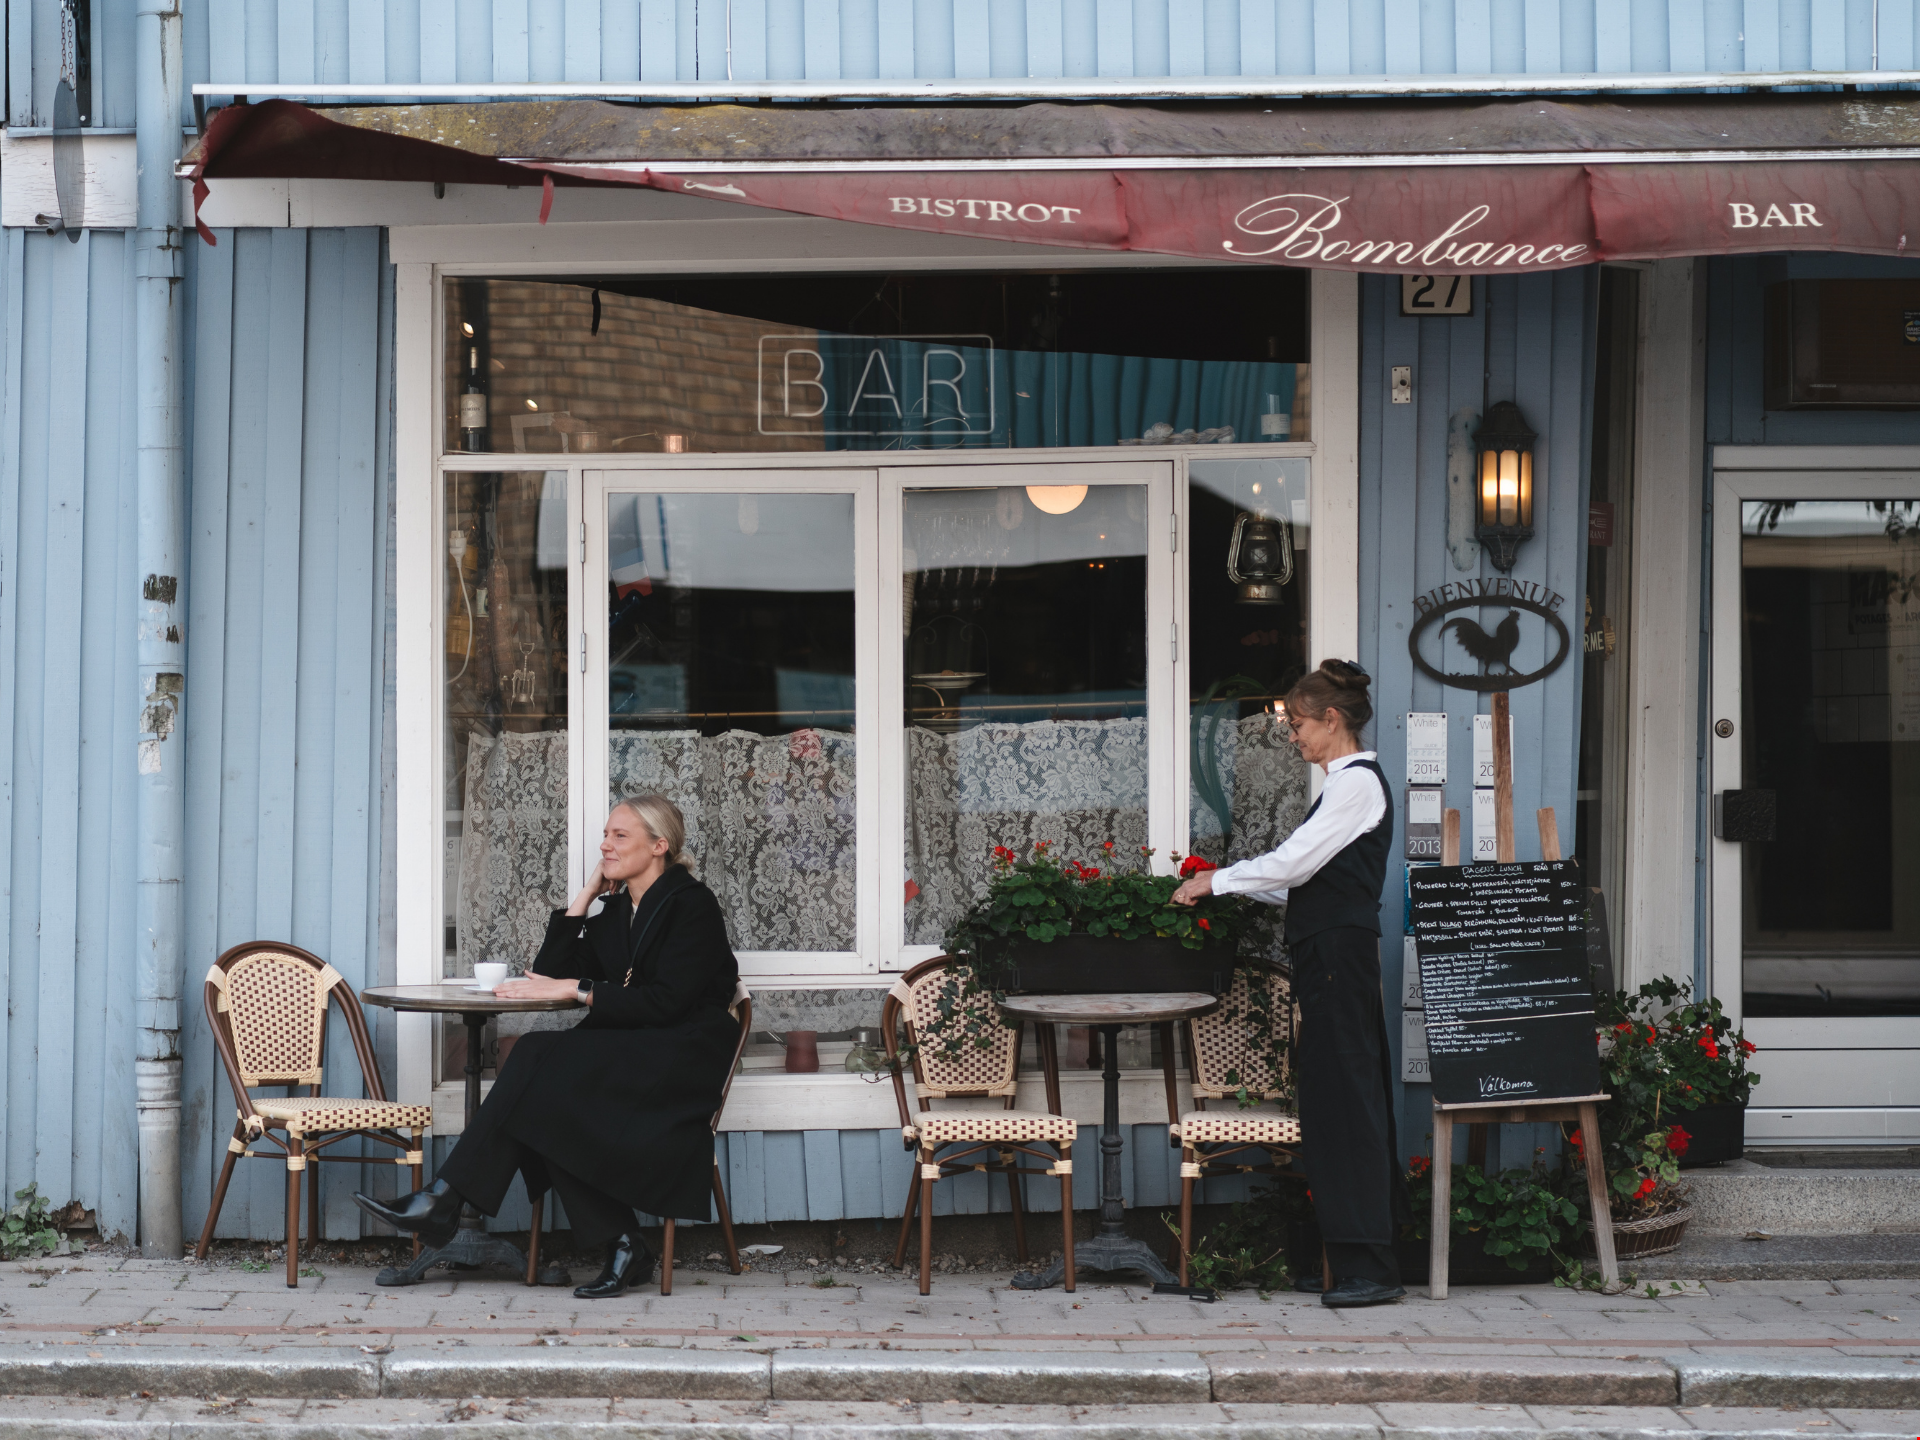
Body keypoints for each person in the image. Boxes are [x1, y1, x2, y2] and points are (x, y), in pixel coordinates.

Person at [355, 794, 740, 1300]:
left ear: (659, 846)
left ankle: (443, 1199)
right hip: (633, 1048)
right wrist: (586, 895)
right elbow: (550, 970)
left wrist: (579, 990)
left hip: (681, 1056)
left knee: (534, 1061)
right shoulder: (620, 910)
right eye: (605, 835)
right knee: (540, 1093)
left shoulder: (692, 905)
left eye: (619, 836)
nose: (605, 845)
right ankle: (622, 1244)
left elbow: (667, 1002)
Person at [1171, 658, 1409, 1308]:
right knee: (1336, 1097)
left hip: (1338, 957)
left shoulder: (1356, 785)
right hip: (1331, 955)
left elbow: (1294, 863)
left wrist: (1216, 880)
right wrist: (1230, 886)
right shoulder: (1344, 787)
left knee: (1345, 1101)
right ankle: (1349, 1259)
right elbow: (1300, 882)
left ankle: (1371, 1267)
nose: (1293, 737)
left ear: (1331, 719)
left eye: (1298, 724)